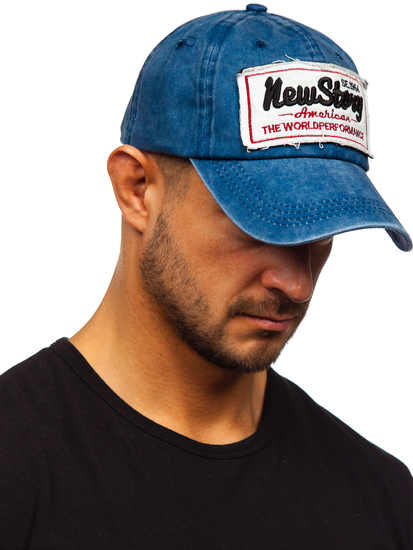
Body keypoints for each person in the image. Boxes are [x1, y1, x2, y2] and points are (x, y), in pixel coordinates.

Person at [1, 4, 412, 548]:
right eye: (256, 225)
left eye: (323, 230)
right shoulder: (15, 470)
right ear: (136, 189)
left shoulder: (384, 499)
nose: (298, 286)